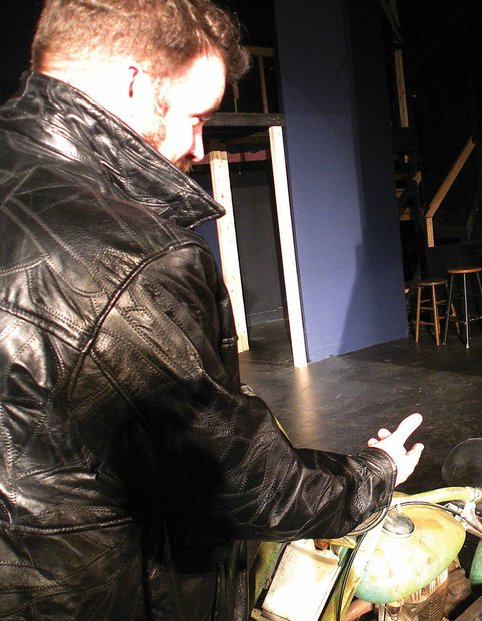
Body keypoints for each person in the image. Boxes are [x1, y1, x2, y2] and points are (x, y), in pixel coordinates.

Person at [0, 1, 423, 619]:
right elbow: (237, 482)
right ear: (134, 81)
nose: (199, 146)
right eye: (197, 117)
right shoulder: (126, 261)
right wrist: (373, 474)